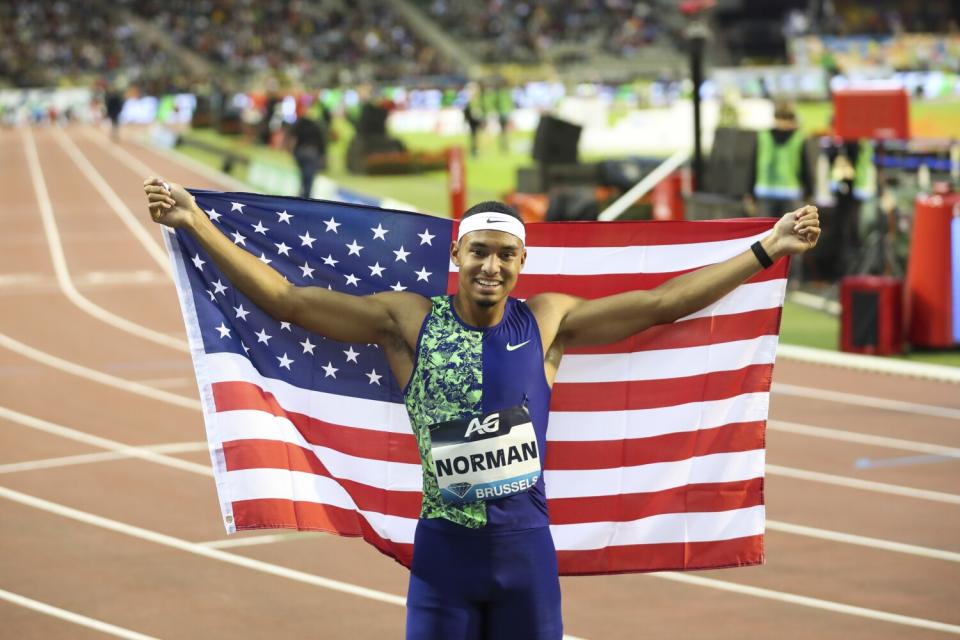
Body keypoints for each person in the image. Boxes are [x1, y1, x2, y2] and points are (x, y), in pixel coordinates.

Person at [143, 178, 820, 639]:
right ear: (458, 255)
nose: (490, 267)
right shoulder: (408, 321)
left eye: (504, 255)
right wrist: (194, 221)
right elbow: (289, 302)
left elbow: (662, 305)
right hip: (444, 559)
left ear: (520, 261)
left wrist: (767, 249)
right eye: (479, 253)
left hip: (526, 558)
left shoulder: (546, 321)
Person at [749, 100, 812, 218]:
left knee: (766, 232)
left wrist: (750, 193)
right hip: (790, 192)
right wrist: (809, 193)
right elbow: (805, 167)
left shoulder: (763, 136)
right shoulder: (798, 137)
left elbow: (753, 166)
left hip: (765, 191)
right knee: (790, 231)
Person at [285, 113, 328, 199]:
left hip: (301, 152)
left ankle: (301, 196)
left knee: (303, 177)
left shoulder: (300, 124)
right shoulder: (317, 127)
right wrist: (323, 156)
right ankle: (306, 199)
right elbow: (322, 143)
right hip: (313, 153)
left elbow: (292, 138)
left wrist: (292, 152)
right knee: (309, 179)